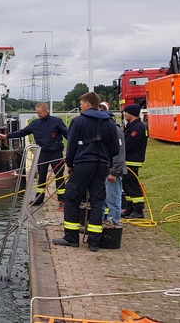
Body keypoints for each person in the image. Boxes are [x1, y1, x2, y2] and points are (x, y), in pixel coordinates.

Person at [53, 92, 119, 251]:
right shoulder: (110, 123)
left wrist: (69, 163)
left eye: (81, 103)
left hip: (83, 165)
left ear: (88, 104)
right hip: (102, 166)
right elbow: (115, 149)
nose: (80, 106)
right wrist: (105, 160)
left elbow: (72, 145)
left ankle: (71, 237)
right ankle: (94, 242)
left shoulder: (78, 121)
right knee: (97, 202)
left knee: (72, 198)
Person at [0, 103, 68, 206]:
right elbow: (22, 132)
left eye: (40, 113)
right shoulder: (35, 124)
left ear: (46, 111)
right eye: (37, 113)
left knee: (59, 176)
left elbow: (67, 134)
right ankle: (39, 199)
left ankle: (62, 200)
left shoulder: (57, 122)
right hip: (42, 153)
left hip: (56, 153)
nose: (38, 115)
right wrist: (6, 136)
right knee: (41, 177)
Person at [99, 101, 126, 227]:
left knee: (113, 199)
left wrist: (114, 172)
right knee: (103, 199)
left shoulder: (115, 130)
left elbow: (120, 154)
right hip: (105, 170)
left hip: (113, 172)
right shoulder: (105, 129)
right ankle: (104, 220)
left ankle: (114, 223)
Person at [121, 103, 148, 219]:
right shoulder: (131, 126)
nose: (124, 114)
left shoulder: (138, 127)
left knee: (132, 185)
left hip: (132, 161)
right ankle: (130, 207)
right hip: (127, 160)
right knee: (126, 185)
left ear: (131, 113)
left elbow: (128, 144)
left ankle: (138, 210)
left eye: (125, 112)